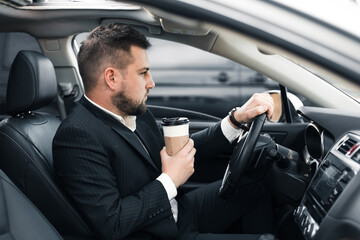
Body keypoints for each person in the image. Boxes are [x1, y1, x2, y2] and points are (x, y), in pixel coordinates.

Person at [53, 24, 274, 240]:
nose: (151, 83)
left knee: (259, 186)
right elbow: (112, 223)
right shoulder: (76, 136)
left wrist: (235, 120)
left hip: (179, 212)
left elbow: (176, 150)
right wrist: (170, 179)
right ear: (112, 79)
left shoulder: (134, 111)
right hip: (159, 232)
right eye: (143, 73)